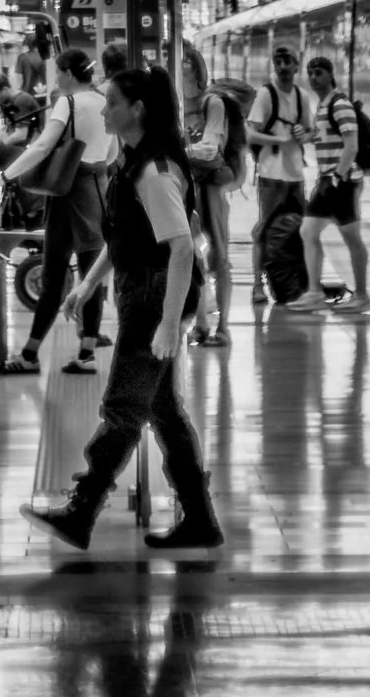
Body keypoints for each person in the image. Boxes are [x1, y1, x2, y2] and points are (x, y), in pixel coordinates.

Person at [24, 63, 224, 558]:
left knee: (124, 409)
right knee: (165, 413)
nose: (104, 108)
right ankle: (200, 520)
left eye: (112, 101)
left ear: (137, 110)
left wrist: (169, 324)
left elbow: (180, 249)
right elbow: (123, 239)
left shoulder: (155, 172)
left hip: (158, 296)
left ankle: (81, 510)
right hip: (146, 291)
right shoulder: (131, 162)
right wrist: (88, 284)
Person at [11, 41, 113, 370]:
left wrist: (9, 173)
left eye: (58, 73)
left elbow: (44, 145)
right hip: (97, 188)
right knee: (91, 274)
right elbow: (112, 154)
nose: (55, 80)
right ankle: (86, 353)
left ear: (69, 74)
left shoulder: (67, 103)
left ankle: (29, 354)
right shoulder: (104, 102)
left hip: (66, 192)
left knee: (54, 276)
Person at [179, 39, 244, 344]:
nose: (177, 64)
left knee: (218, 256)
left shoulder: (211, 103)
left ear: (194, 65)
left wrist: (180, 151)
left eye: (183, 59)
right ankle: (202, 323)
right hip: (182, 190)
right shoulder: (174, 104)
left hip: (210, 191)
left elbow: (209, 149)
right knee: (192, 257)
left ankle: (224, 327)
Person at [302, 50, 370, 313]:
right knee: (310, 232)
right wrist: (307, 135)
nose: (313, 78)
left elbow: (351, 145)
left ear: (331, 75)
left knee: (349, 237)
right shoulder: (323, 105)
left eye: (319, 73)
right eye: (310, 73)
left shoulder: (339, 104)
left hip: (341, 182)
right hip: (331, 180)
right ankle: (314, 292)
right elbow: (325, 137)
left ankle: (362, 295)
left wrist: (336, 176)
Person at [247, 40, 315, 313]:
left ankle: (295, 282)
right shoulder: (266, 95)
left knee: (301, 229)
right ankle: (256, 284)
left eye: (288, 63)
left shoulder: (302, 97)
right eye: (279, 63)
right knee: (264, 229)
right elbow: (250, 133)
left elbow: (310, 131)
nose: (284, 68)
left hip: (295, 174)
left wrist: (303, 136)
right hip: (271, 175)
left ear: (297, 65)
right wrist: (279, 138)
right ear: (273, 66)